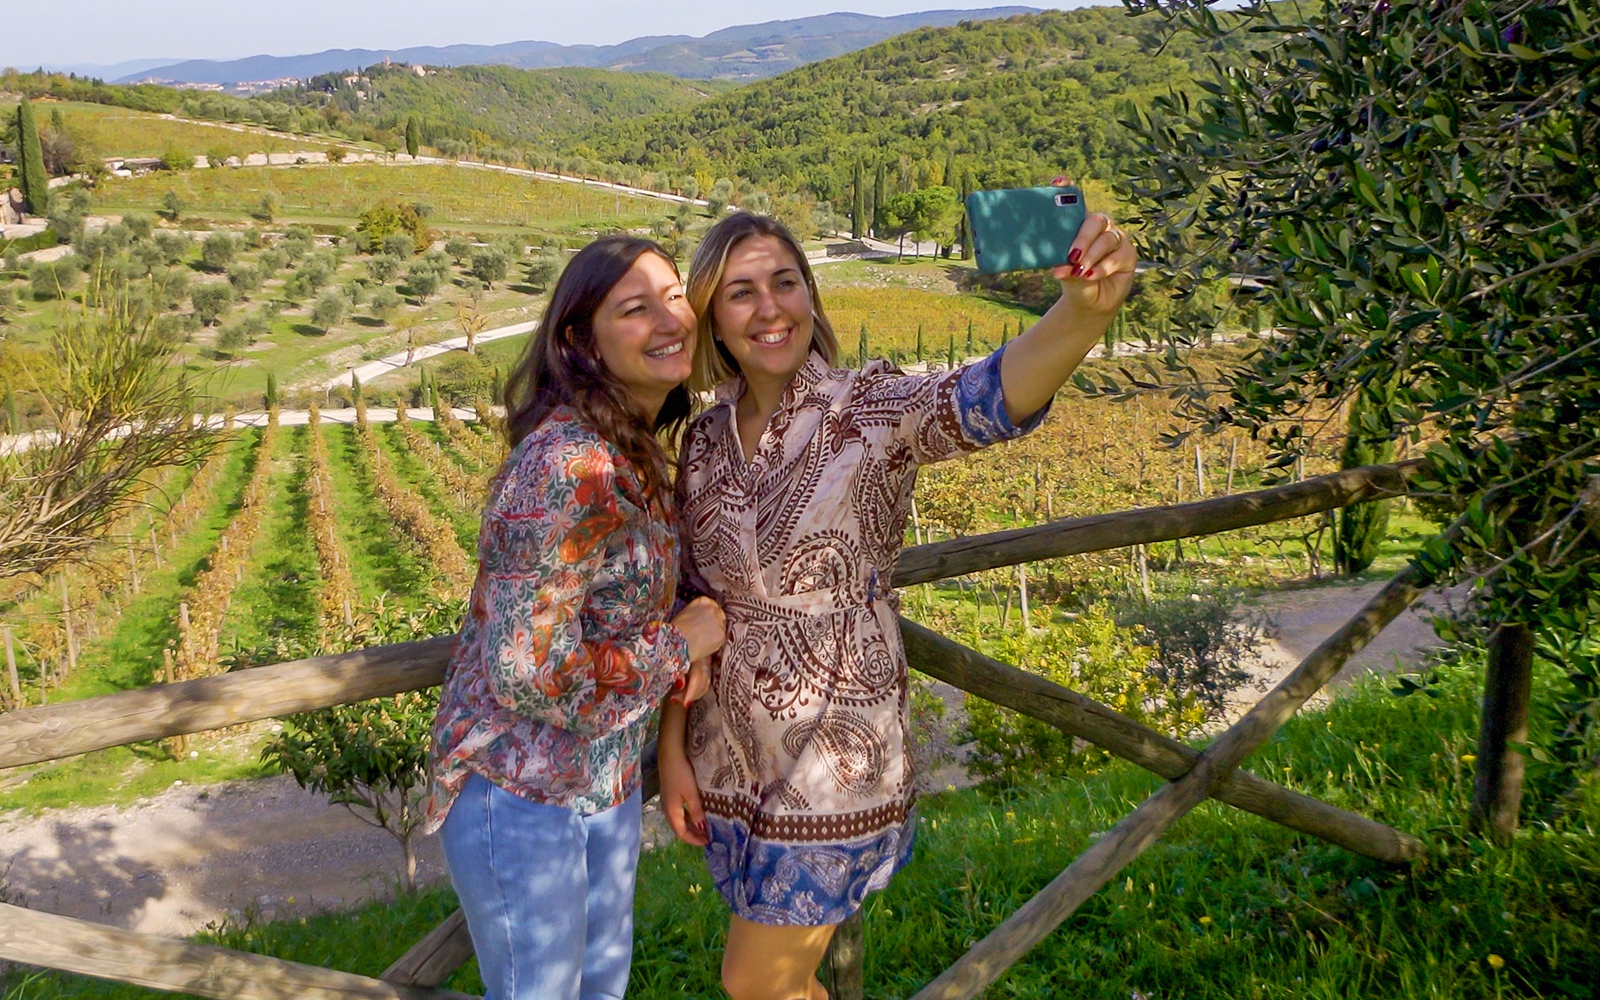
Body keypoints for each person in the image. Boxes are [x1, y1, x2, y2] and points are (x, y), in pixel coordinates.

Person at [657, 202, 1135, 1000]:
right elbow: (690, 603)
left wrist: (1082, 314)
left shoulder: (869, 406)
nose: (768, 306)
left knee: (752, 984)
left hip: (837, 751)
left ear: (812, 295)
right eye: (741, 292)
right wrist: (673, 748)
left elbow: (985, 396)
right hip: (730, 758)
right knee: (782, 986)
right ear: (712, 314)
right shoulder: (703, 441)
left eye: (784, 281)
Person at [425, 235, 725, 1000]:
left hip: (602, 786)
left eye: (672, 296)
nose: (670, 318)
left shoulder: (631, 453)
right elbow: (527, 672)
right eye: (635, 307)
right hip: (520, 793)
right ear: (579, 341)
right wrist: (678, 644)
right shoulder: (569, 465)